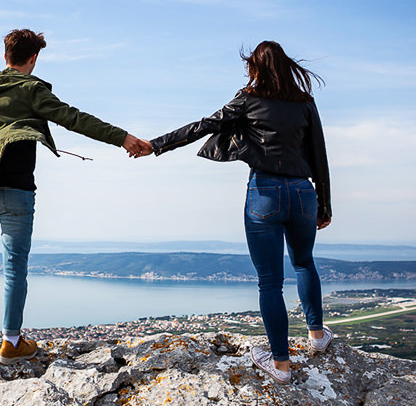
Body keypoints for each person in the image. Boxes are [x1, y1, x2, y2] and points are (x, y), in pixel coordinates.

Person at [0, 29, 150, 365]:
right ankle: (11, 341)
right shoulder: (31, 89)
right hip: (18, 190)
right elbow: (74, 119)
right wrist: (122, 137)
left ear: (5, 54)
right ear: (34, 58)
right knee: (15, 266)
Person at [138, 41, 333, 384]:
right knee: (304, 262)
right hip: (303, 192)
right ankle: (317, 337)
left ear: (254, 68)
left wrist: (156, 144)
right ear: (287, 66)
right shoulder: (305, 103)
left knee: (270, 281)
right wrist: (325, 203)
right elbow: (319, 154)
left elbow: (204, 125)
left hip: (265, 192)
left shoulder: (249, 99)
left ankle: (281, 366)